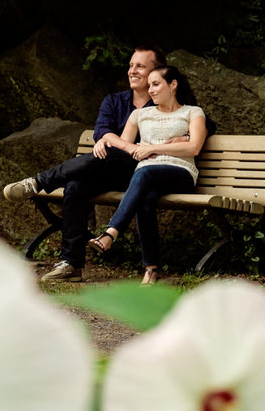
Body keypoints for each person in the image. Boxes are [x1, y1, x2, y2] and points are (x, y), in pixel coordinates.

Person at [3, 45, 178, 282]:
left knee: (114, 152)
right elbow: (102, 130)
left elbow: (203, 121)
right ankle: (71, 264)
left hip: (148, 174)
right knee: (76, 186)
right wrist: (112, 141)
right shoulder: (114, 101)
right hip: (111, 171)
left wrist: (184, 137)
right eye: (130, 65)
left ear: (158, 71)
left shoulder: (167, 97)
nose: (132, 71)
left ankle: (39, 181)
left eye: (140, 66)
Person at [86, 65, 206, 285]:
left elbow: (194, 148)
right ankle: (151, 269)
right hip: (147, 176)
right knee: (146, 197)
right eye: (149, 85)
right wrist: (105, 139)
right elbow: (123, 145)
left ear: (173, 85)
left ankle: (110, 233)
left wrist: (154, 149)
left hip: (181, 174)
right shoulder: (140, 114)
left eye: (156, 84)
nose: (150, 90)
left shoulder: (192, 112)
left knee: (145, 172)